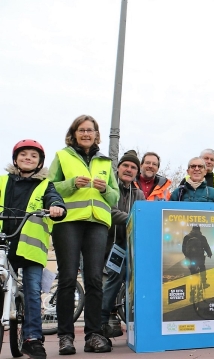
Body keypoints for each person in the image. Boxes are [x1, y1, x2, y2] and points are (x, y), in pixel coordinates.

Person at [48, 114, 119, 354]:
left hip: (97, 224)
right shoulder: (62, 156)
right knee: (68, 278)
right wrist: (70, 184)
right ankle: (65, 337)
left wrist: (105, 188)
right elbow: (48, 187)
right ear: (74, 133)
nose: (86, 134)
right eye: (82, 130)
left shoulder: (106, 162)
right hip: (68, 222)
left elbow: (115, 197)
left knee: (94, 280)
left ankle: (93, 335)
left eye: (90, 130)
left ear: (97, 135)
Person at [1, 139, 67, 359]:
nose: (28, 158)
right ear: (15, 159)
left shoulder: (45, 184)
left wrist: (56, 207)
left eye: (33, 156)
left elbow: (53, 197)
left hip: (30, 249)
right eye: (23, 154)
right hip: (4, 244)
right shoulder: (3, 181)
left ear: (40, 163)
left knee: (32, 291)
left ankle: (31, 339)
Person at [101, 150, 145, 339]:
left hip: (128, 246)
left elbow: (144, 217)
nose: (129, 169)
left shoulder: (139, 193)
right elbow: (109, 211)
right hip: (106, 244)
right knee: (112, 281)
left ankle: (135, 323)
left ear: (137, 172)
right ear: (118, 168)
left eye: (133, 167)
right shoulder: (110, 189)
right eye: (125, 165)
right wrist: (132, 218)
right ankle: (100, 321)